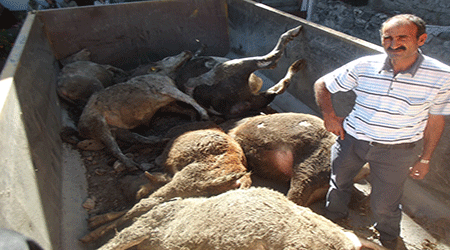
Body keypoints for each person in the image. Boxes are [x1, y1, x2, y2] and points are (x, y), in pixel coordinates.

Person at [314, 14, 450, 249]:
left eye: (402, 37)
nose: (393, 43)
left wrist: (425, 158)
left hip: (396, 151)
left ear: (422, 39)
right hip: (352, 140)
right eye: (387, 37)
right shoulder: (365, 65)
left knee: (385, 203)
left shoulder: (441, 76)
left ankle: (388, 239)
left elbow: (436, 120)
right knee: (338, 183)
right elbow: (323, 84)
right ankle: (333, 224)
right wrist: (329, 116)